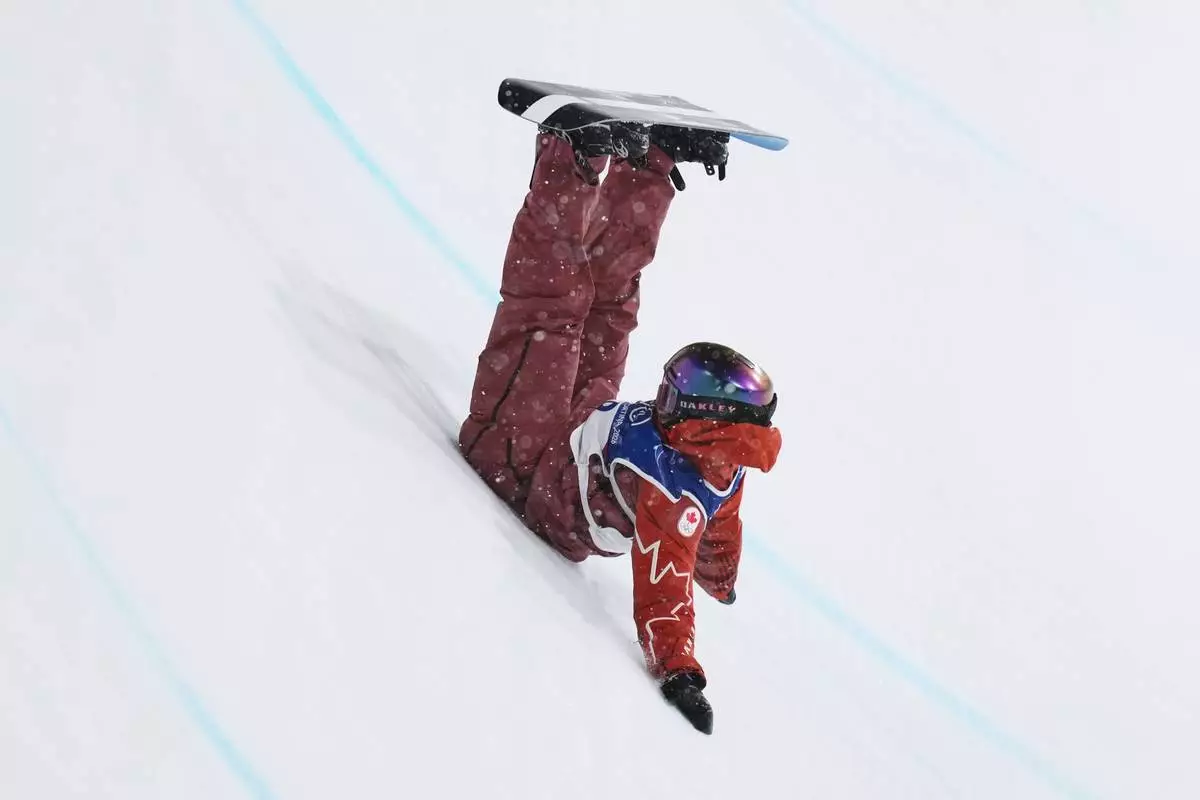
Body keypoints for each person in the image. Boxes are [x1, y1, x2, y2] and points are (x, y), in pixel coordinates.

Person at [458, 121, 783, 734]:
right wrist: (723, 581)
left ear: (711, 419)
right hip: (582, 435)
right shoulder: (722, 466)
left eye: (683, 389)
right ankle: (648, 165)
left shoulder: (672, 498)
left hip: (523, 471)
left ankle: (570, 155)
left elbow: (665, 591)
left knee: (549, 313)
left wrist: (680, 671)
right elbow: (721, 534)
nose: (669, 389)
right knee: (611, 311)